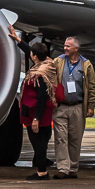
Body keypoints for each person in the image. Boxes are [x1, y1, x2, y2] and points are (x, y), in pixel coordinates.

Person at [52, 36, 95, 179]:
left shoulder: (86, 64)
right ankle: (63, 168)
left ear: (76, 48)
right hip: (61, 107)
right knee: (60, 138)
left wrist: (90, 106)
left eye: (68, 46)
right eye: (64, 46)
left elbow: (91, 86)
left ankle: (73, 168)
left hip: (77, 107)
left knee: (75, 139)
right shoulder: (58, 62)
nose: (65, 48)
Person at [20, 41, 58, 181]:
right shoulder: (46, 64)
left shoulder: (40, 74)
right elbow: (31, 51)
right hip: (39, 112)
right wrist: (18, 41)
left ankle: (42, 172)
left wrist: (36, 118)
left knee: (38, 144)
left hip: (36, 113)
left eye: (32, 54)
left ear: (34, 56)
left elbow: (42, 96)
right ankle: (41, 166)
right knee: (42, 142)